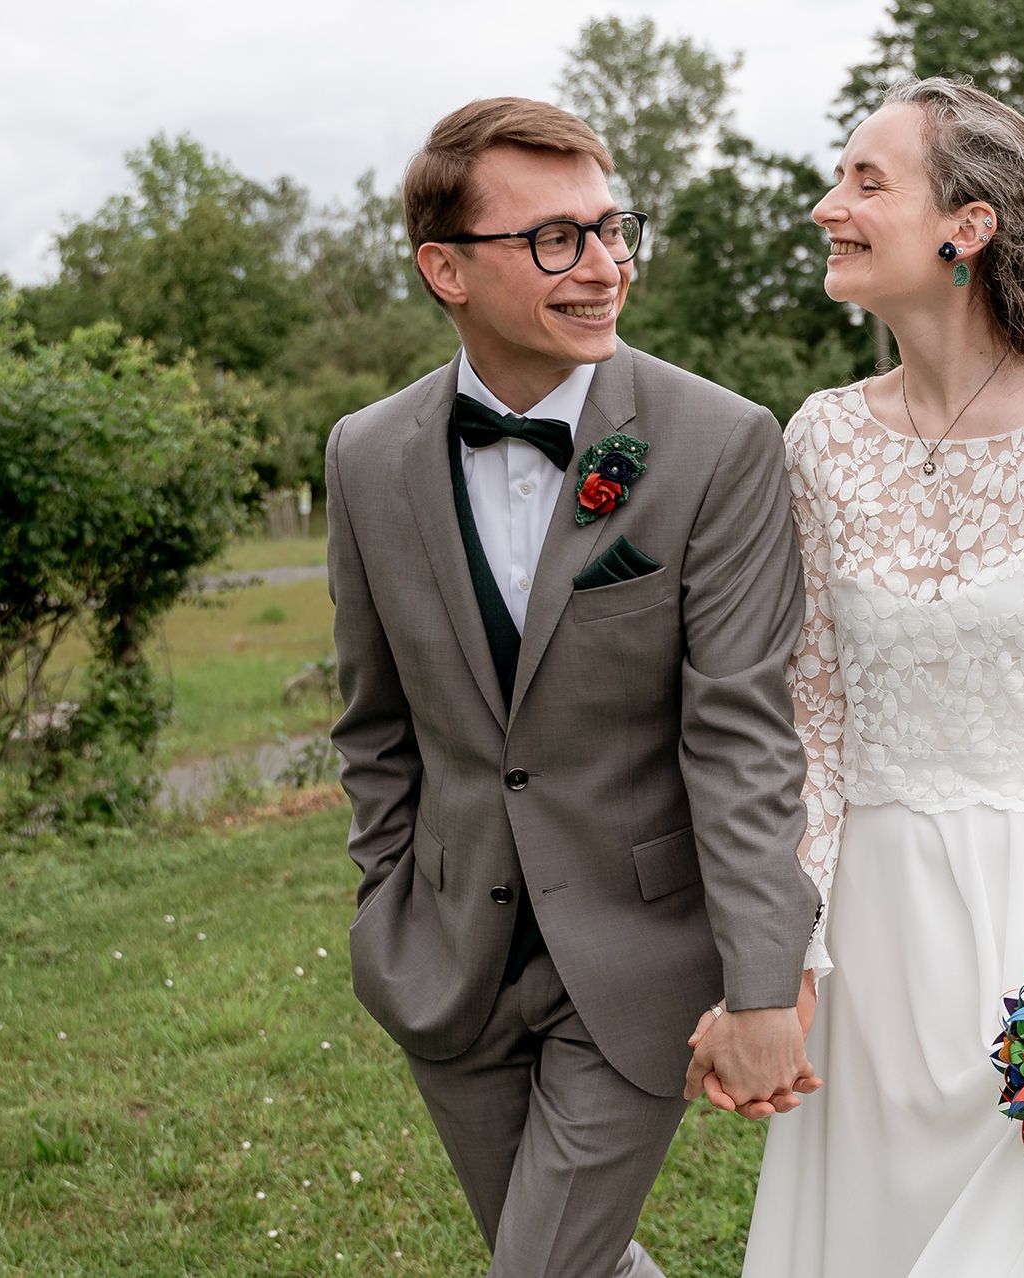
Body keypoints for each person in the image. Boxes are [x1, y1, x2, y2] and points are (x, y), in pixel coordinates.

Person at [713, 76, 1024, 1277]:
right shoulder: (819, 438)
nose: (827, 205)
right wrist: (800, 947)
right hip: (884, 933)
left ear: (970, 224)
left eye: (865, 181)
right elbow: (817, 721)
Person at [324, 97, 820, 1278]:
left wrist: (762, 982)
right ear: (445, 267)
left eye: (611, 229)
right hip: (446, 957)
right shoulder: (366, 454)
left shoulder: (720, 442)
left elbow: (743, 731)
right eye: (556, 239)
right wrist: (385, 893)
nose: (605, 267)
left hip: (635, 954)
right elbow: (372, 720)